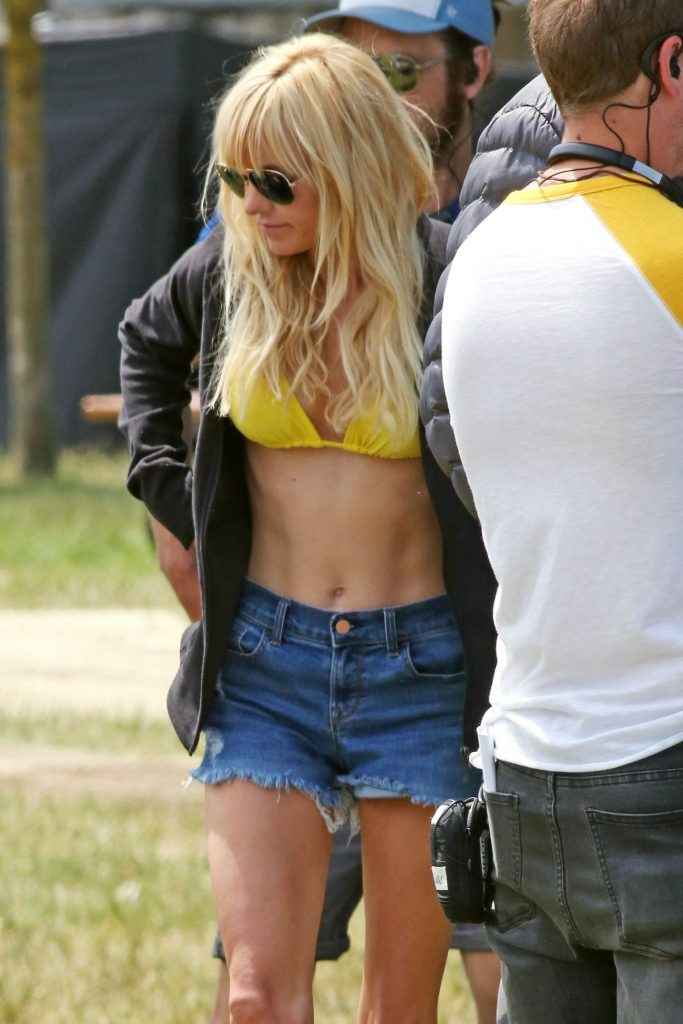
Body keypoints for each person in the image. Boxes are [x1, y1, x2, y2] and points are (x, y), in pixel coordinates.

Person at [120, 32, 498, 1024]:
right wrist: (169, 491)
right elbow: (143, 344)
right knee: (253, 998)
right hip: (264, 664)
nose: (251, 202)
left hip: (419, 671)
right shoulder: (230, 272)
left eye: (277, 180)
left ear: (349, 165)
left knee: (396, 1010)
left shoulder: (444, 276)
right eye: (235, 176)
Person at [427, 1, 683, 1020]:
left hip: (522, 772)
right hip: (660, 769)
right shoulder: (668, 254)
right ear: (670, 64)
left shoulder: (474, 261)